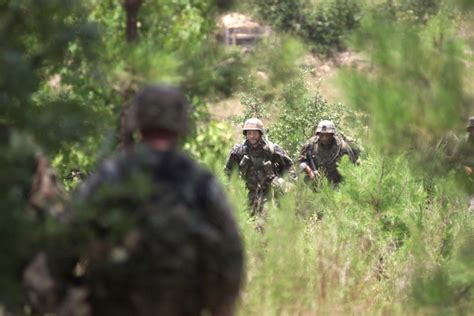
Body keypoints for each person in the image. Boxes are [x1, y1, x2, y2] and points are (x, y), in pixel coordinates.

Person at [24, 85, 244, 316]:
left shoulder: (110, 177)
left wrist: (68, 305)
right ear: (181, 123)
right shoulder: (201, 182)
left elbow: (57, 250)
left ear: (137, 121)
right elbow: (230, 256)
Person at [224, 118, 295, 215]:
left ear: (260, 134)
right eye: (249, 133)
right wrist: (231, 188)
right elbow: (228, 171)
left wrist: (288, 183)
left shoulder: (271, 149)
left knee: (268, 219)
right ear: (246, 134)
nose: (252, 136)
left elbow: (288, 165)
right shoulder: (239, 151)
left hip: (268, 192)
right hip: (246, 192)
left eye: (255, 133)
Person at [298, 120, 357, 186]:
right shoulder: (311, 144)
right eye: (322, 135)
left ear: (332, 135)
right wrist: (310, 171)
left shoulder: (342, 148)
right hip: (316, 182)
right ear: (318, 134)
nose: (324, 138)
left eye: (327, 135)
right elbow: (300, 162)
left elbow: (352, 167)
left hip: (338, 183)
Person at [453, 116, 474, 211]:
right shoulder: (463, 142)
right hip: (465, 177)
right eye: (472, 129)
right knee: (465, 203)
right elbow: (454, 159)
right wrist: (464, 167)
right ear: (469, 130)